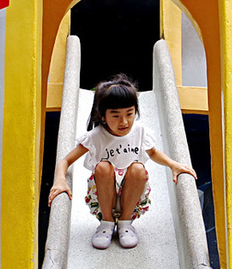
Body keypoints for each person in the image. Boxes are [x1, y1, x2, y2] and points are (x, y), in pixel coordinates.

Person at [49, 74, 195, 249]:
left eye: (129, 113)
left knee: (138, 168)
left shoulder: (141, 132)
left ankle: (126, 224)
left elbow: (154, 152)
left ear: (136, 111)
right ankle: (106, 224)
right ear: (103, 116)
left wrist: (174, 165)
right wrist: (60, 180)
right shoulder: (96, 137)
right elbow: (65, 160)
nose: (124, 121)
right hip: (103, 197)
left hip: (132, 196)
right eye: (115, 115)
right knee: (103, 167)